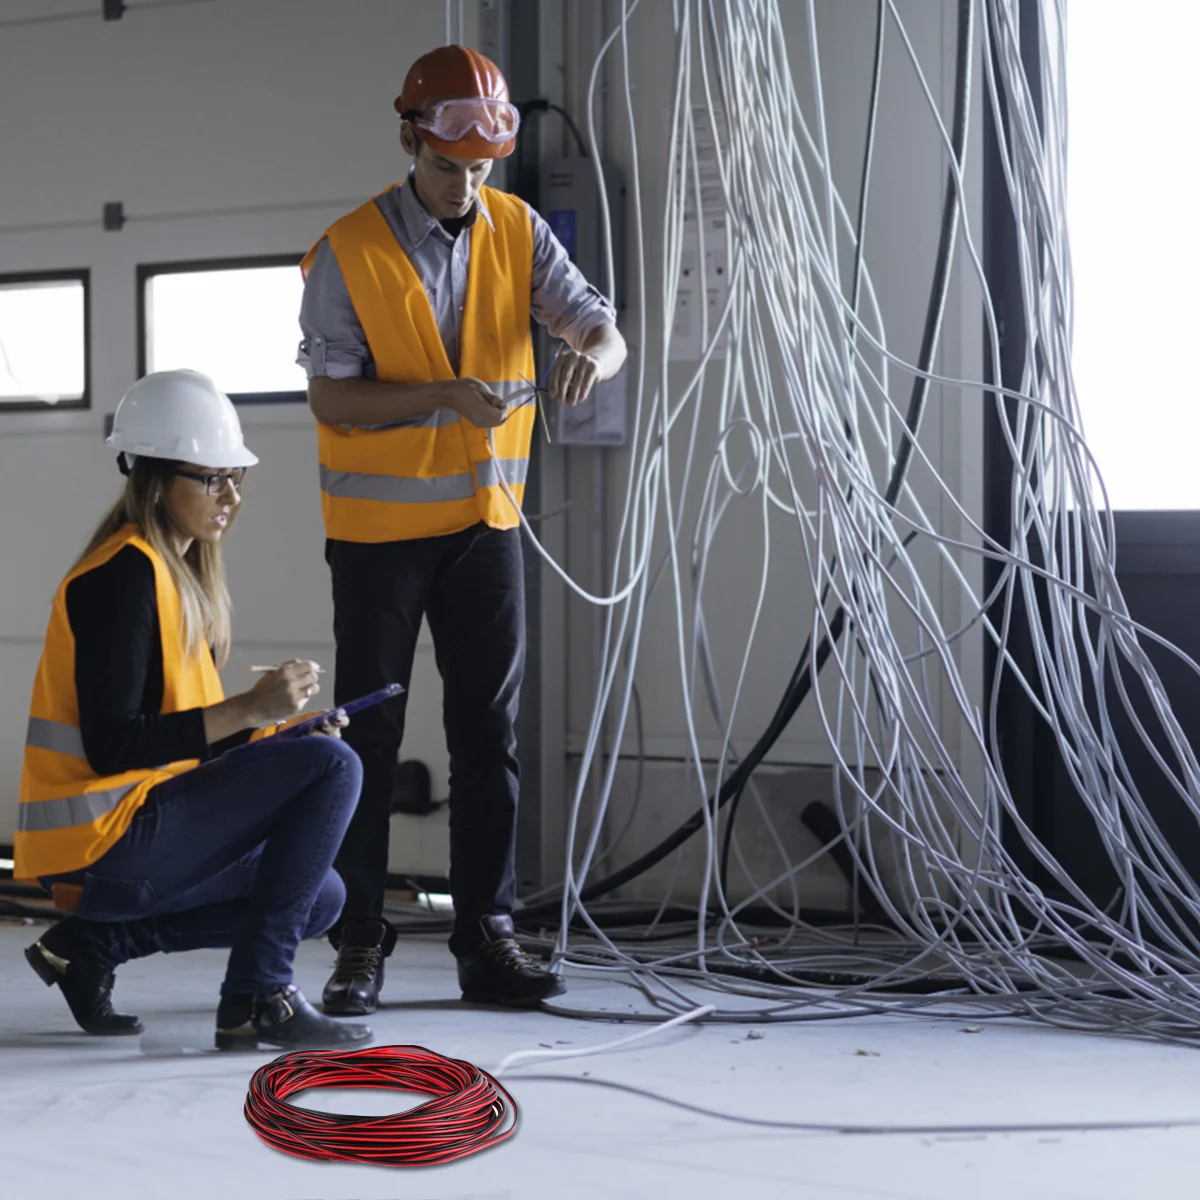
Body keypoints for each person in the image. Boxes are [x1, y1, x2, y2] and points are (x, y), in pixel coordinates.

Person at [297, 44, 627, 1015]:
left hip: (487, 526)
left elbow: (601, 327)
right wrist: (443, 394)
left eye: (482, 170)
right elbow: (331, 398)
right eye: (449, 168)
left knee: (489, 734)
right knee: (368, 738)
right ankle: (359, 937)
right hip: (378, 540)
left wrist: (590, 362)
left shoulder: (517, 230)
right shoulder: (348, 250)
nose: (465, 187)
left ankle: (489, 935)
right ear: (410, 141)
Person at [15, 369, 373, 1052]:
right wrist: (249, 708)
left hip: (139, 826)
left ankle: (95, 946)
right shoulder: (121, 577)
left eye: (235, 477)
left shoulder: (177, 579)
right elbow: (115, 746)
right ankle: (257, 997)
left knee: (323, 897)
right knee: (334, 766)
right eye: (211, 479)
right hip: (97, 843)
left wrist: (274, 729)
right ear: (153, 479)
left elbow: (192, 746)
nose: (231, 496)